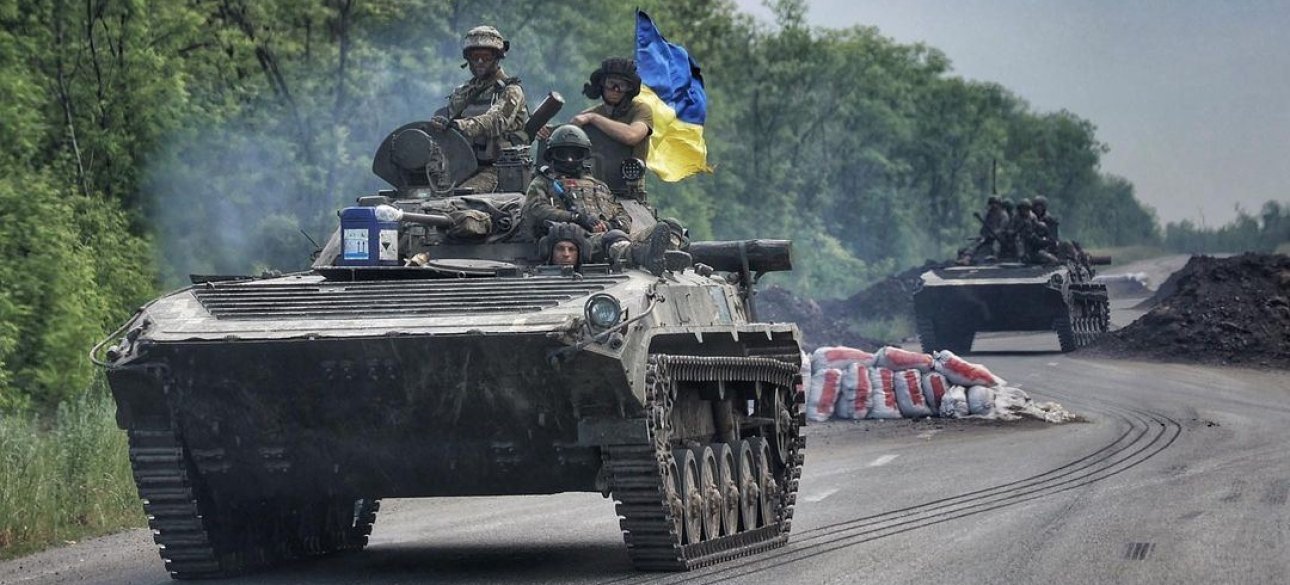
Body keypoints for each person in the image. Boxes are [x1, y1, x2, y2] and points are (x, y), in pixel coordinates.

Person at [522, 125, 671, 273]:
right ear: (552, 156)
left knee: (670, 226)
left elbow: (622, 215)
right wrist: (576, 218)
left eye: (576, 154)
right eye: (563, 154)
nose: (569, 159)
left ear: (584, 156)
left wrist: (610, 224)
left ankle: (670, 254)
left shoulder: (599, 186)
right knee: (612, 239)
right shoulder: (544, 183)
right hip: (576, 240)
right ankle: (643, 255)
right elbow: (535, 210)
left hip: (613, 234)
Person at [429, 25, 529, 193]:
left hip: (497, 170)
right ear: (468, 59)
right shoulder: (462, 93)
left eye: (486, 57)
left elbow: (495, 121)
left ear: (497, 58)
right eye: (475, 57)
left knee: (460, 199)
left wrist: (460, 126)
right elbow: (448, 132)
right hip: (462, 168)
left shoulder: (510, 91)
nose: (480, 62)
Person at [538, 58, 653, 199]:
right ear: (602, 85)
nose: (616, 90)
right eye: (611, 83)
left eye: (622, 85)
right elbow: (568, 139)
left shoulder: (640, 110)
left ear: (629, 88)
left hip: (627, 192)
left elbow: (632, 136)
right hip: (589, 189)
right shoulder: (588, 115)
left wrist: (594, 118)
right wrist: (548, 133)